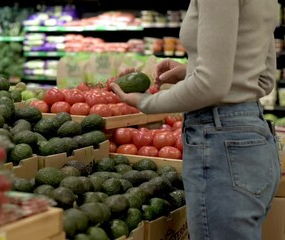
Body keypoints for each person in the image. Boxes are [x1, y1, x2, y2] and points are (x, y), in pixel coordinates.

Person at [110, 0, 281, 239]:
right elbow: (263, 81)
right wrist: (192, 71)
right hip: (254, 138)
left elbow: (211, 86)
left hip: (221, 141)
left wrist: (144, 102)